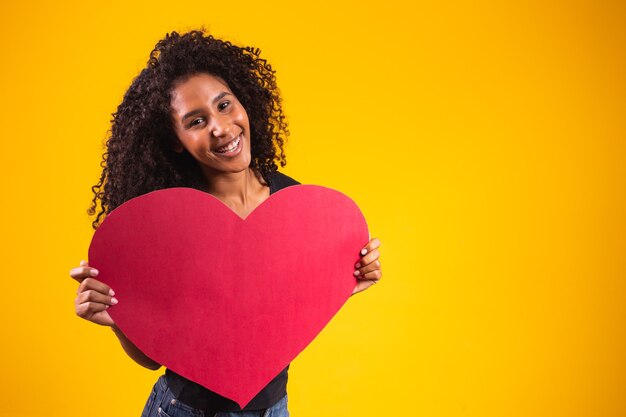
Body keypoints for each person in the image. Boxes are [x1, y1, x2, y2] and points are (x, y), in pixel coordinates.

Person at [69, 29, 382, 417]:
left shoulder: (298, 209)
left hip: (271, 410)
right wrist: (115, 317)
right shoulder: (167, 226)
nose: (220, 127)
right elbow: (151, 359)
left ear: (244, 102)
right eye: (196, 121)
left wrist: (343, 280)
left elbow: (284, 322)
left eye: (224, 105)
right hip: (182, 410)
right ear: (175, 140)